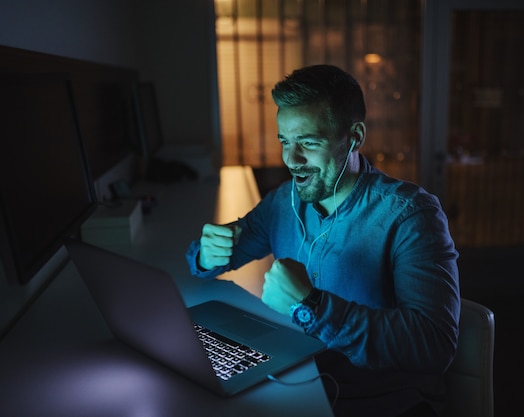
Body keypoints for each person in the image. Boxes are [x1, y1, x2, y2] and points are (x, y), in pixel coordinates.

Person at [186, 64, 460, 417]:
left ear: (355, 137)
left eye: (309, 143)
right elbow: (215, 258)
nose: (291, 159)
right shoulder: (283, 201)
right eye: (285, 140)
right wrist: (208, 255)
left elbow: (434, 345)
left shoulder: (411, 215)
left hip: (380, 404)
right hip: (298, 384)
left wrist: (312, 305)